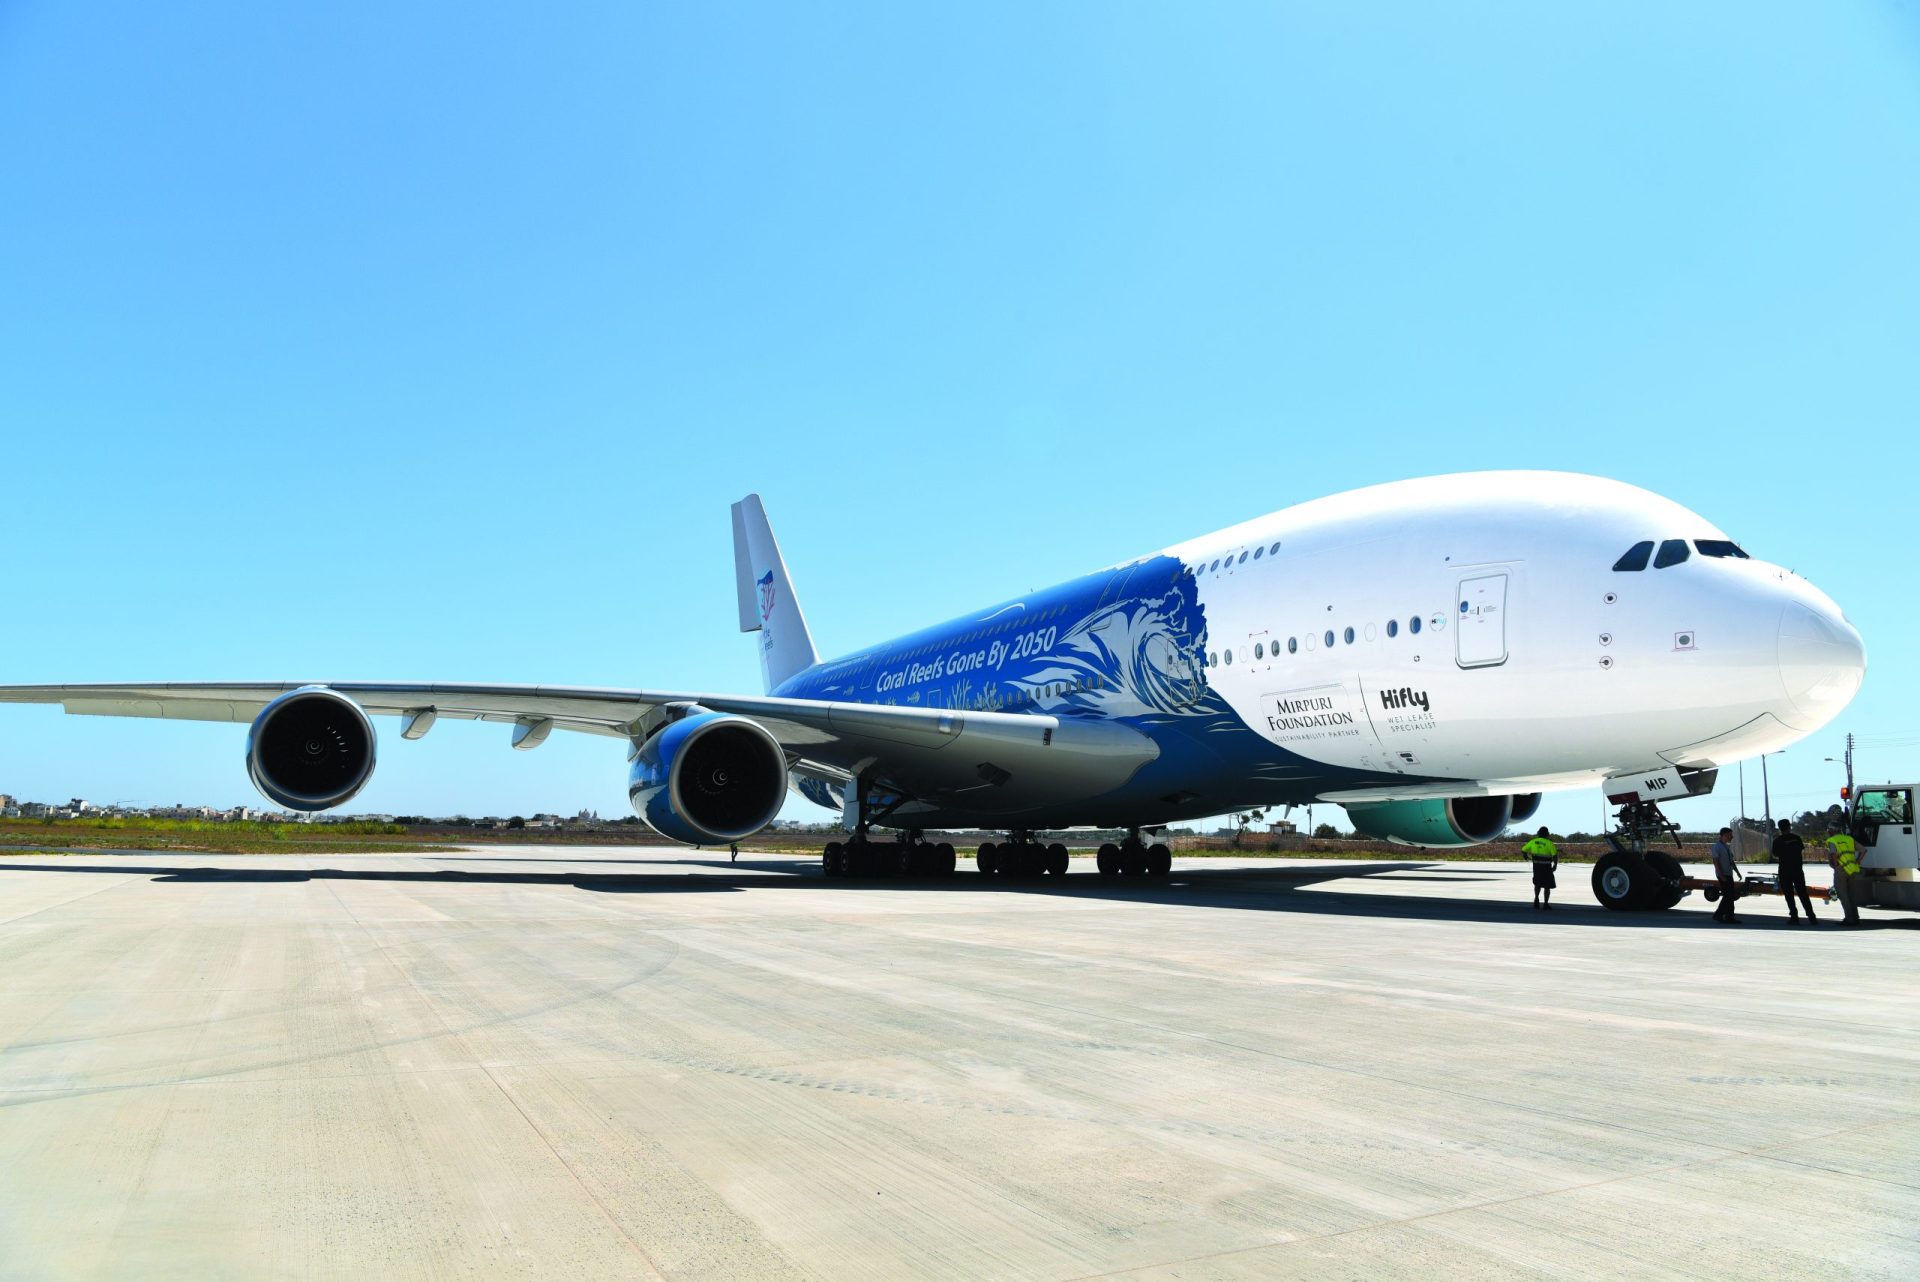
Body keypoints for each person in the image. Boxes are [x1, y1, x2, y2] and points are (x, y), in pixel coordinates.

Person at [1772, 818, 1813, 922]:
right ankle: (1811, 915)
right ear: (1789, 827)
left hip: (1785, 870)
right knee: (1802, 893)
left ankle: (1794, 916)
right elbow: (1801, 849)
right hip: (1797, 869)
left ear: (1780, 828)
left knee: (1789, 895)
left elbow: (1775, 854)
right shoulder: (1796, 838)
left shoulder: (1777, 841)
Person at [1826, 828, 1861, 924]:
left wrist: (1835, 864)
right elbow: (1863, 850)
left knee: (1843, 894)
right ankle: (1855, 917)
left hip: (1841, 869)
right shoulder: (1849, 839)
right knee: (1852, 894)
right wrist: (1857, 862)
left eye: (1828, 830)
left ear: (1832, 831)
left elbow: (1833, 853)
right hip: (1852, 868)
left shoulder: (1832, 840)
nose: (1827, 832)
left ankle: (1849, 919)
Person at [1522, 826, 1559, 909]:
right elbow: (1555, 855)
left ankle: (1536, 899)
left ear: (1538, 833)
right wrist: (1555, 865)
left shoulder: (1533, 842)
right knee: (1547, 886)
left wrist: (1525, 856)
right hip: (1546, 868)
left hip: (1537, 867)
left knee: (1537, 884)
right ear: (1547, 834)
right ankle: (1545, 903)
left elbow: (1523, 850)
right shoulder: (1549, 843)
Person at [1710, 827, 1741, 923]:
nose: (1731, 837)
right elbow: (1715, 862)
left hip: (1728, 874)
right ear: (1724, 835)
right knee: (1728, 896)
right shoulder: (1717, 847)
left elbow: (1731, 861)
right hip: (1723, 875)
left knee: (1730, 896)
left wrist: (1737, 871)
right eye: (1730, 835)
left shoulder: (1726, 846)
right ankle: (1718, 915)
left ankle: (1729, 916)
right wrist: (1721, 875)